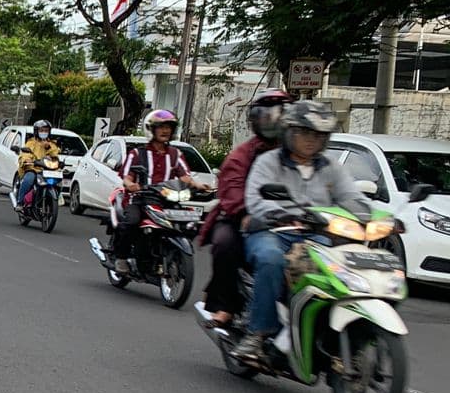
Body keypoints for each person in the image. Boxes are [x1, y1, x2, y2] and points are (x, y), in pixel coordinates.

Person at [236, 99, 369, 365]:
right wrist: (280, 212)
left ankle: (332, 334)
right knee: (272, 260)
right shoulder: (268, 162)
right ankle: (257, 334)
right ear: (289, 132)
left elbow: (352, 197)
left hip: (316, 237)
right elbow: (255, 199)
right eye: (305, 132)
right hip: (273, 232)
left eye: (319, 135)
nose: (312, 140)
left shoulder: (331, 167)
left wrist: (376, 216)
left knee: (343, 274)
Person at [197, 89, 290, 326]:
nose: (274, 121)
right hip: (244, 217)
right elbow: (231, 189)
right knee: (225, 244)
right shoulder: (242, 155)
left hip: (295, 222)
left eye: (280, 114)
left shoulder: (300, 153)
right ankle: (225, 305)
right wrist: (247, 213)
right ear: (255, 120)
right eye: (267, 115)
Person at [109, 110, 193, 270]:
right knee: (132, 222)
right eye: (161, 127)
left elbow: (185, 177)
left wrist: (198, 186)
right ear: (151, 129)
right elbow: (126, 177)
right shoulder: (137, 154)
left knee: (188, 223)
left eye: (169, 127)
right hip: (139, 200)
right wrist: (130, 184)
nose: (165, 130)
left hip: (165, 201)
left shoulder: (176, 154)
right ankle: (121, 257)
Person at [15, 119, 58, 207]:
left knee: (57, 182)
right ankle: (20, 202)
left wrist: (48, 147)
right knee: (28, 180)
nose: (44, 132)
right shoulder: (31, 143)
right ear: (36, 131)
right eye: (41, 130)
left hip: (46, 170)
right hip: (33, 169)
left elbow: (55, 155)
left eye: (46, 131)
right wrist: (27, 160)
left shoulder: (52, 144)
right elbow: (25, 154)